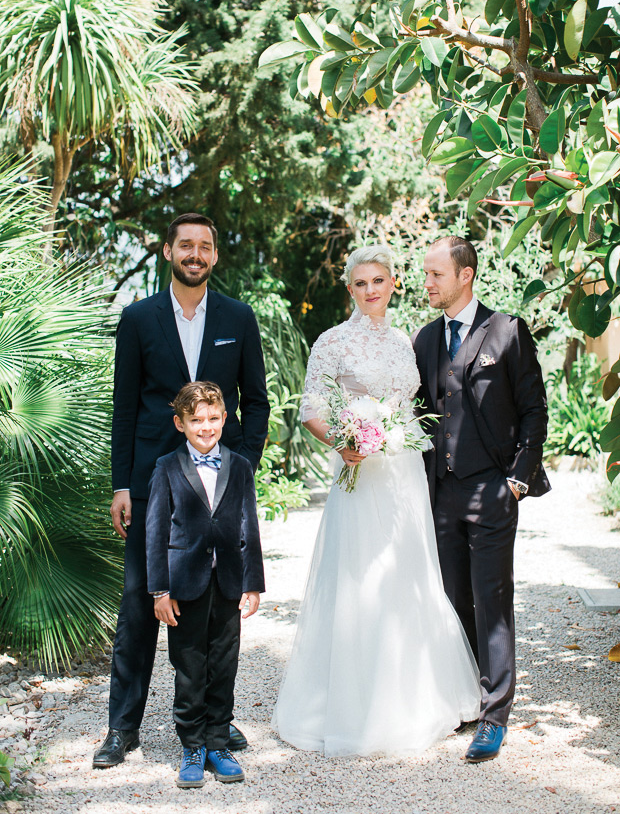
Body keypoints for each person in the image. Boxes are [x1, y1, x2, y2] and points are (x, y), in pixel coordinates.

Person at [272, 245, 481, 757]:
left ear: (393, 284)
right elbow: (312, 409)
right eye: (361, 283)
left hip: (405, 469)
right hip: (360, 473)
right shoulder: (331, 342)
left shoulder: (404, 341)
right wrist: (344, 445)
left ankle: (420, 696)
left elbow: (414, 403)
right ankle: (354, 705)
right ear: (350, 289)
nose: (371, 290)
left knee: (410, 572)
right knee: (360, 578)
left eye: (379, 281)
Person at [93, 213, 270, 768]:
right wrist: (122, 482)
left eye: (205, 246)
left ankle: (213, 723)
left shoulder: (237, 317)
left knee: (216, 606)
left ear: (215, 256)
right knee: (140, 606)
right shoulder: (138, 318)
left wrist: (243, 465)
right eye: (185, 244)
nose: (195, 253)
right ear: (168, 250)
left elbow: (257, 400)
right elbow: (124, 407)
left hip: (221, 485)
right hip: (153, 481)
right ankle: (123, 727)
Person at [412, 236, 550, 763]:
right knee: (453, 598)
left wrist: (517, 478)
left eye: (435, 275)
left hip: (492, 487)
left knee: (492, 601)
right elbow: (419, 413)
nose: (427, 284)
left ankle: (494, 715)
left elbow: (534, 409)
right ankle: (467, 695)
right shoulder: (425, 339)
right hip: (440, 491)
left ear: (464, 275)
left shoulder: (508, 331)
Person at [146, 381, 265, 787]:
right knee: (189, 665)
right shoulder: (165, 468)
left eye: (213, 418)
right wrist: (159, 591)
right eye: (196, 420)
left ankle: (219, 741)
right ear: (180, 424)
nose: (206, 427)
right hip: (184, 585)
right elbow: (156, 532)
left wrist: (253, 584)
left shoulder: (240, 466)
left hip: (229, 581)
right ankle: (192, 744)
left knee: (224, 663)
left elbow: (249, 525)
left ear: (224, 419)